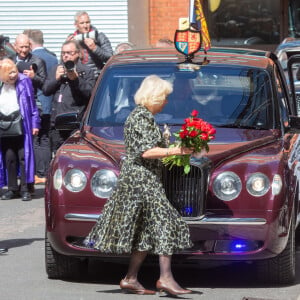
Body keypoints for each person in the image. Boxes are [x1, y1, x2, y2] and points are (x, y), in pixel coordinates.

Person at [85, 75, 193, 296]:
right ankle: (165, 278)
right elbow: (145, 152)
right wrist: (175, 151)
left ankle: (131, 278)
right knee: (167, 221)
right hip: (140, 179)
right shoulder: (141, 117)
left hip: (144, 178)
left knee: (145, 230)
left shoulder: (144, 117)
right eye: (164, 97)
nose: (165, 102)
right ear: (154, 97)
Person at [43, 40, 95, 153]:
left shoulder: (86, 71)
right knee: (58, 156)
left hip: (75, 124)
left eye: (69, 53)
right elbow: (46, 90)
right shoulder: (56, 69)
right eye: (63, 53)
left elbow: (89, 93)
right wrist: (56, 79)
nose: (65, 56)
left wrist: (76, 79)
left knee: (76, 155)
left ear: (78, 53)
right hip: (57, 124)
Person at [0, 58, 40, 201]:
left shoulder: (24, 81)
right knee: (9, 157)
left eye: (14, 71)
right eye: (8, 73)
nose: (13, 75)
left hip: (22, 125)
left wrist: (35, 124)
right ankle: (12, 188)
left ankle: (25, 188)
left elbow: (32, 104)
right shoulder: (1, 85)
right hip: (4, 126)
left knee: (24, 157)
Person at [24, 29, 58, 184]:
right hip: (51, 102)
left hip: (38, 103)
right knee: (45, 139)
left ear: (30, 43)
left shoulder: (33, 59)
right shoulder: (53, 57)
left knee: (38, 140)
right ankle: (44, 171)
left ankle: (40, 172)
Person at [67, 11, 113, 78]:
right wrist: (68, 49)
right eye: (82, 23)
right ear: (76, 25)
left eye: (87, 22)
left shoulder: (99, 37)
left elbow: (110, 57)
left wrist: (95, 48)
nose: (85, 26)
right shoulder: (71, 38)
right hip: (78, 78)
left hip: (96, 78)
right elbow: (64, 61)